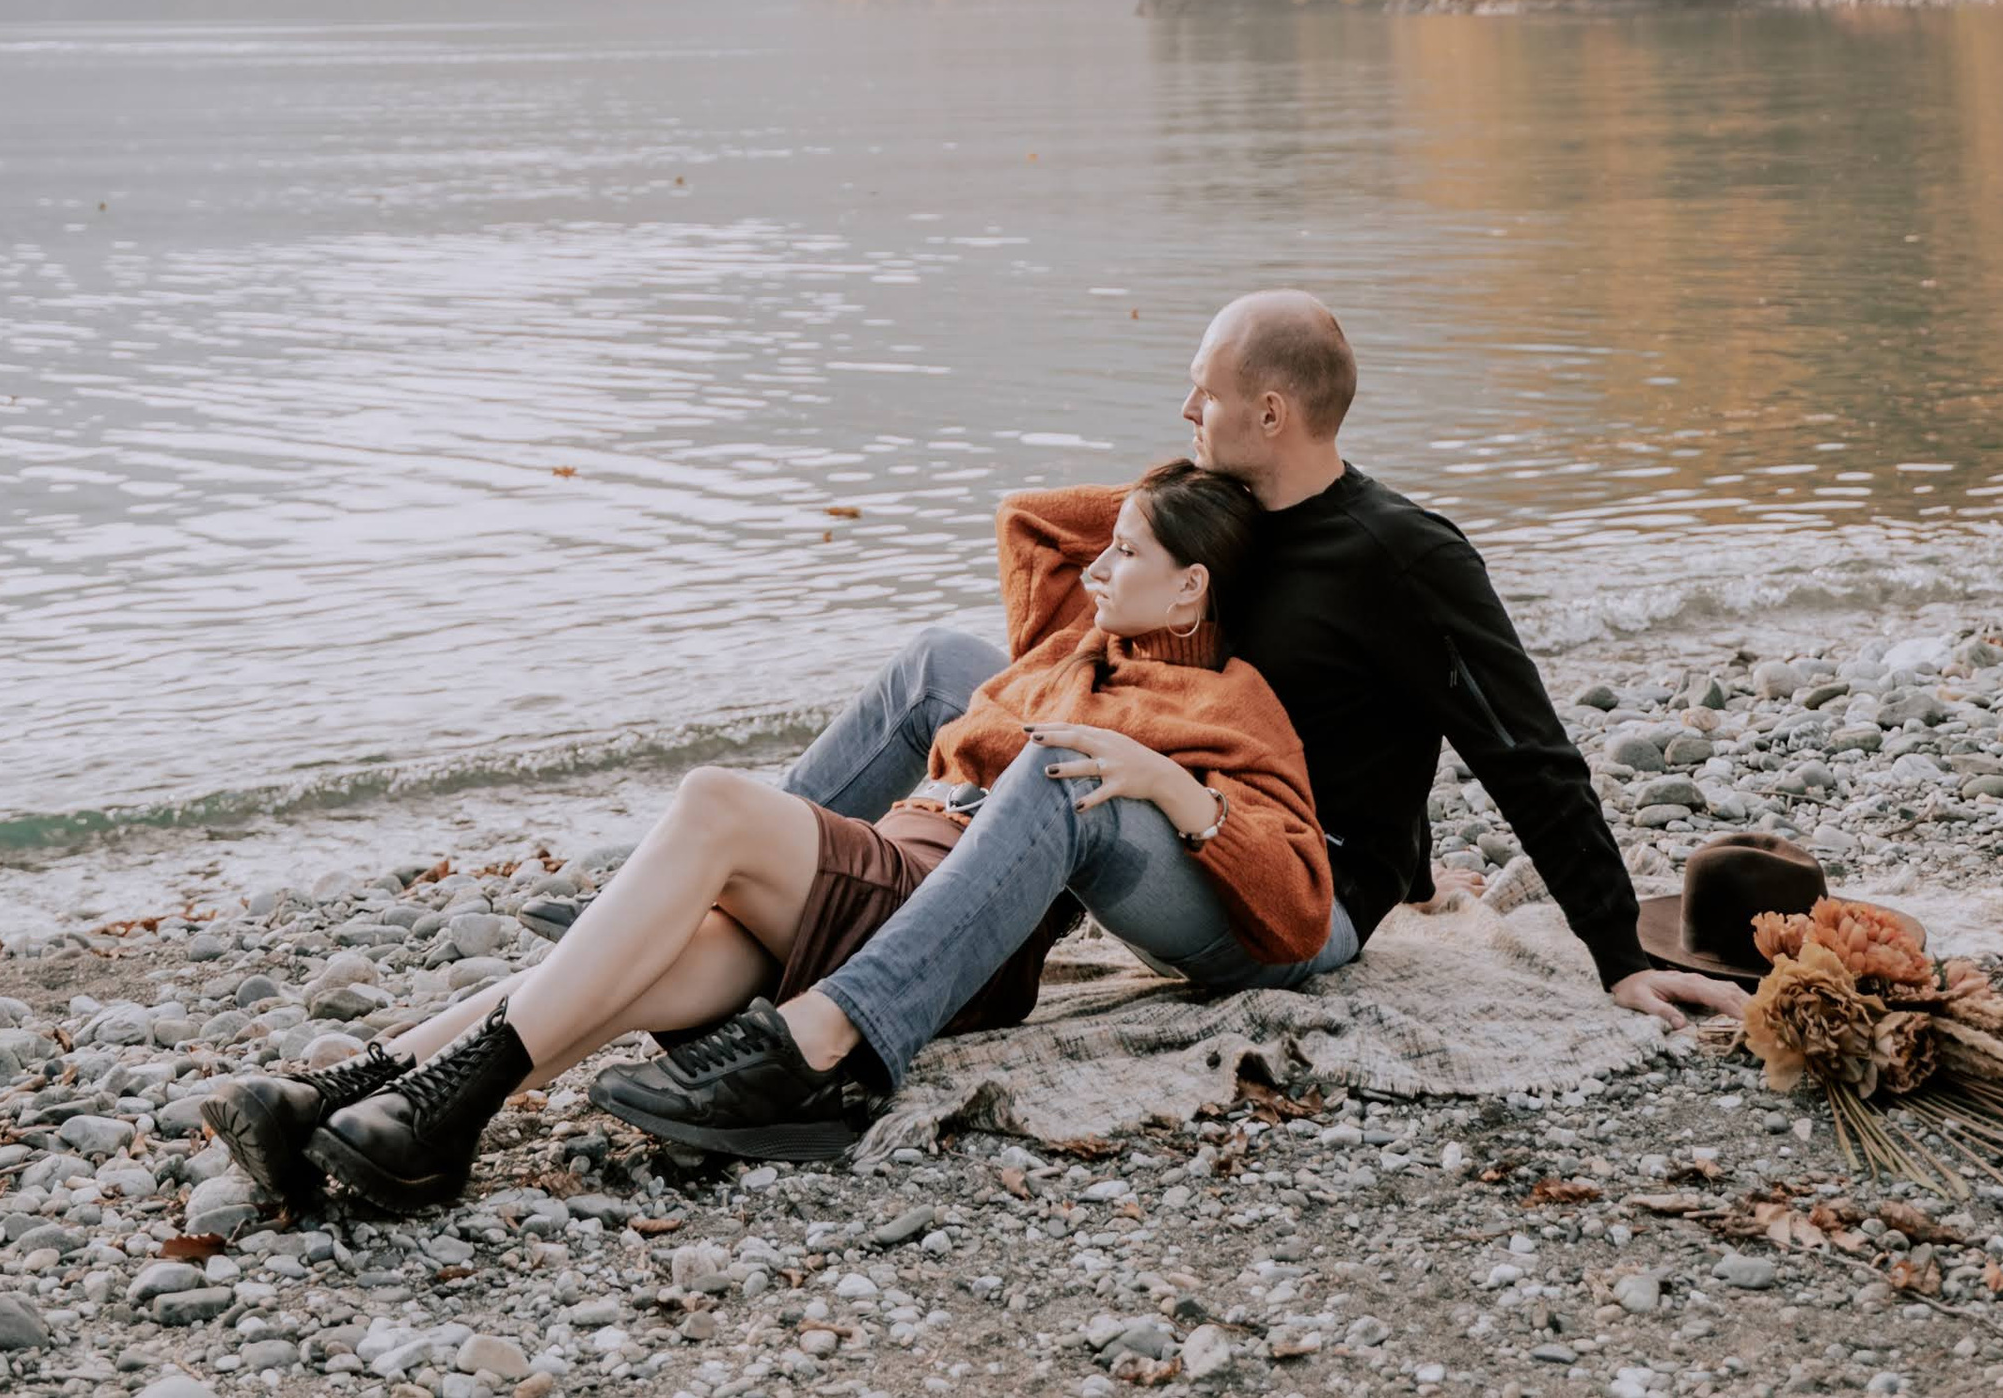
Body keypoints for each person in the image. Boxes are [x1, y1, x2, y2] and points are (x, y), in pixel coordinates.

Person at [598, 292, 1745, 1159]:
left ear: (1270, 411)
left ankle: (831, 1045)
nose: (1183, 407)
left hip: (1292, 890)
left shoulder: (1406, 555)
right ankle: (723, 891)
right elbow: (1046, 540)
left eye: (1201, 390)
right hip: (1177, 806)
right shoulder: (1234, 515)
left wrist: (1615, 951)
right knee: (937, 665)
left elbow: (1526, 751)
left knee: (1059, 769)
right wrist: (1155, 515)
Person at [202, 455, 1331, 1210]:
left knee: (713, 804)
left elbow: (1292, 904)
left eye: (1124, 556)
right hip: (877, 869)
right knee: (624, 972)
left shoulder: (1224, 704)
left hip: (934, 920)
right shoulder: (1070, 645)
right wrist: (1181, 489)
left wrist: (1178, 794)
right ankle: (355, 1092)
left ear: (1188, 596)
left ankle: (444, 1109)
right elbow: (1033, 525)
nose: (1091, 568)